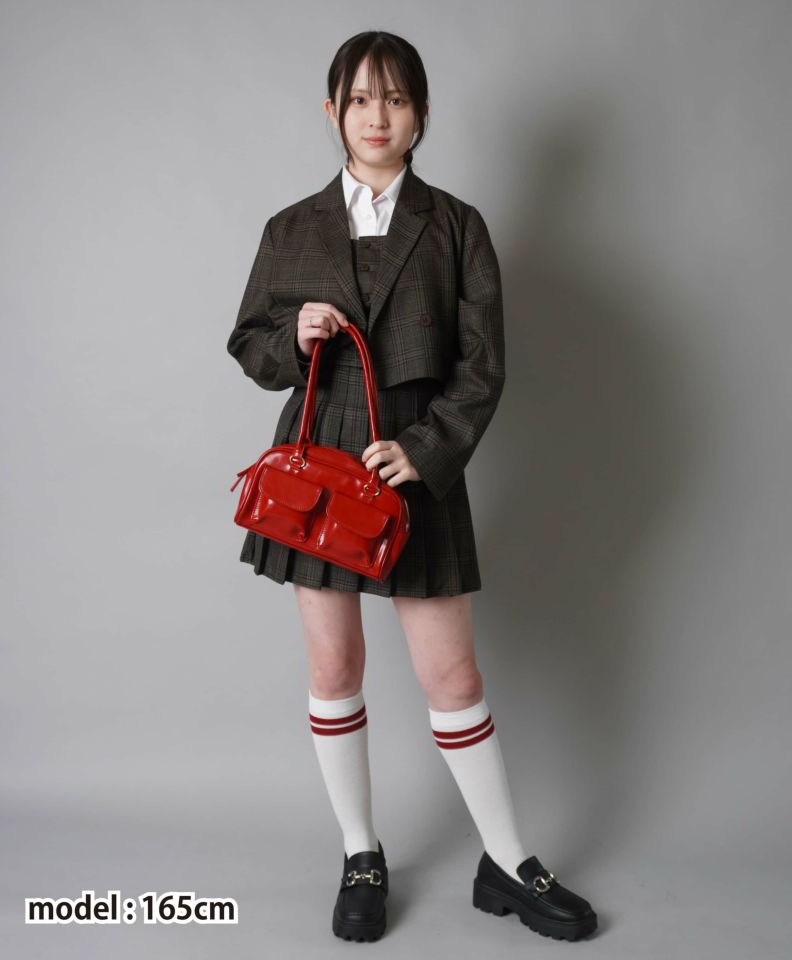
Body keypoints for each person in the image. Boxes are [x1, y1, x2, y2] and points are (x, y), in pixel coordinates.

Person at [226, 30, 598, 943]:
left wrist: (426, 451)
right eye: (359, 99)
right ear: (332, 112)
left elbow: (483, 366)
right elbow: (251, 347)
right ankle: (361, 852)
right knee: (334, 668)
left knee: (453, 675)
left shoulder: (458, 226)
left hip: (412, 468)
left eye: (395, 99)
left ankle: (506, 861)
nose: (377, 116)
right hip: (316, 466)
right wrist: (295, 338)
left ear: (421, 114)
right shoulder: (290, 228)